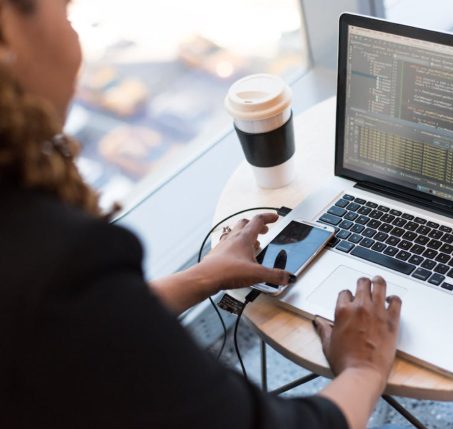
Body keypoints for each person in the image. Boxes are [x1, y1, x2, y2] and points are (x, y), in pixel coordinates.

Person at [0, 1, 403, 428]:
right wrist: (364, 367)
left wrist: (205, 274)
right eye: (65, 15)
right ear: (7, 33)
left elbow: (73, 330)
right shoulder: (61, 259)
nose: (76, 39)